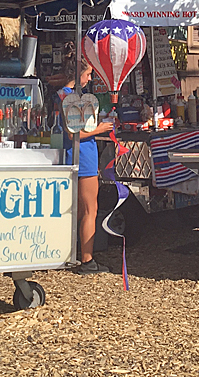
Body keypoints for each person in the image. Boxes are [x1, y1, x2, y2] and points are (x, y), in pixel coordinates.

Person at [58, 60, 115, 275]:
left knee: (79, 209)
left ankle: (75, 252)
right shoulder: (70, 97)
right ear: (78, 74)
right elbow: (75, 133)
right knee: (90, 209)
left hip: (76, 154)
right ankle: (87, 258)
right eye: (88, 75)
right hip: (84, 156)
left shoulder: (62, 95)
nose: (90, 79)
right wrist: (99, 128)